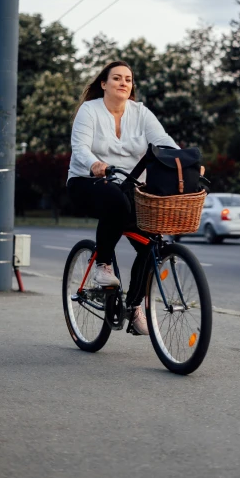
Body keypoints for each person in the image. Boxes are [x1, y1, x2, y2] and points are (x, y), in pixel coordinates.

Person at [67, 60, 179, 335]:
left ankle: (134, 306)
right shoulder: (90, 111)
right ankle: (103, 265)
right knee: (115, 202)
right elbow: (79, 146)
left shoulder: (140, 113)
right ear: (104, 84)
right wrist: (94, 164)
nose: (123, 83)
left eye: (128, 79)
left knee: (151, 243)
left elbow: (163, 140)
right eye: (117, 78)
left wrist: (183, 161)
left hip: (129, 186)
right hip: (87, 181)